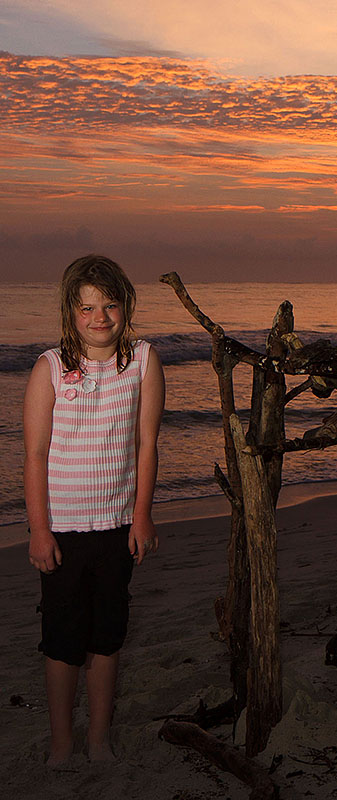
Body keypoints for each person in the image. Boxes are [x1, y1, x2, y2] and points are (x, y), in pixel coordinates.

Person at [23, 255, 165, 765]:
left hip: (117, 527)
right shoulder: (51, 369)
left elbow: (146, 445)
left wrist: (143, 515)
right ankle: (63, 742)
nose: (99, 317)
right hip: (61, 529)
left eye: (109, 305)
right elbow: (36, 454)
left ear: (125, 306)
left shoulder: (143, 362)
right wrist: (39, 529)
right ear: (71, 311)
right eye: (87, 307)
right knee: (62, 641)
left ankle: (99, 738)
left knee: (106, 637)